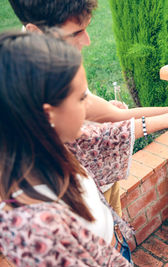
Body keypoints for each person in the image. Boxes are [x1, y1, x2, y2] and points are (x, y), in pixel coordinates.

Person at [7, 0, 168, 216]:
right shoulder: (25, 83)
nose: (88, 40)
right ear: (35, 31)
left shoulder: (52, 55)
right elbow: (96, 137)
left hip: (100, 182)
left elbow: (112, 115)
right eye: (76, 32)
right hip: (78, 202)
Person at [0, 31, 135, 265]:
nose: (87, 108)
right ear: (47, 114)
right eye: (82, 98)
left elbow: (101, 134)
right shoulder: (40, 231)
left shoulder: (37, 147)